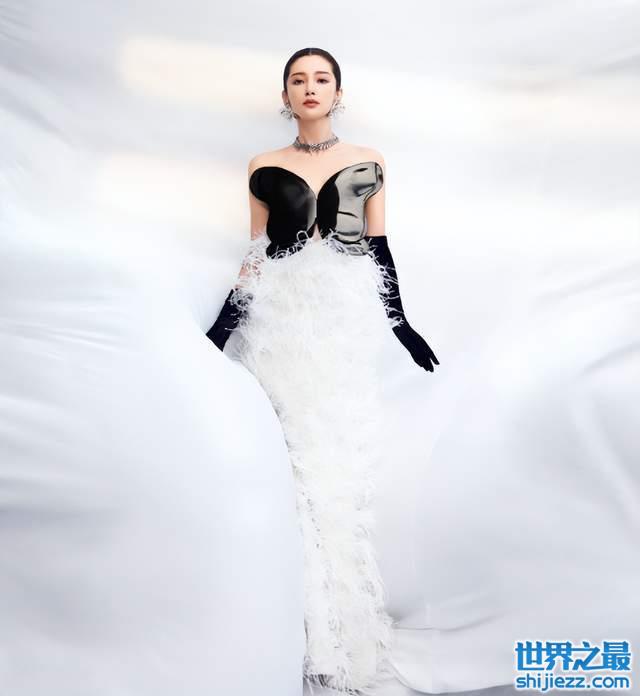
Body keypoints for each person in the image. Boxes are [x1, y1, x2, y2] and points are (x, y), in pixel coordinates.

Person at [206, 47, 439, 695]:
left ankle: (348, 635)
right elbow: (256, 258)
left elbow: (379, 249)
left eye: (321, 78)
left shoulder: (370, 160)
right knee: (289, 470)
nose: (309, 87)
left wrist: (401, 324)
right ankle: (298, 633)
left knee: (335, 468)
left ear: (338, 91)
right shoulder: (261, 165)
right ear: (285, 94)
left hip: (338, 326)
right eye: (298, 79)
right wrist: (218, 335)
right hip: (279, 325)